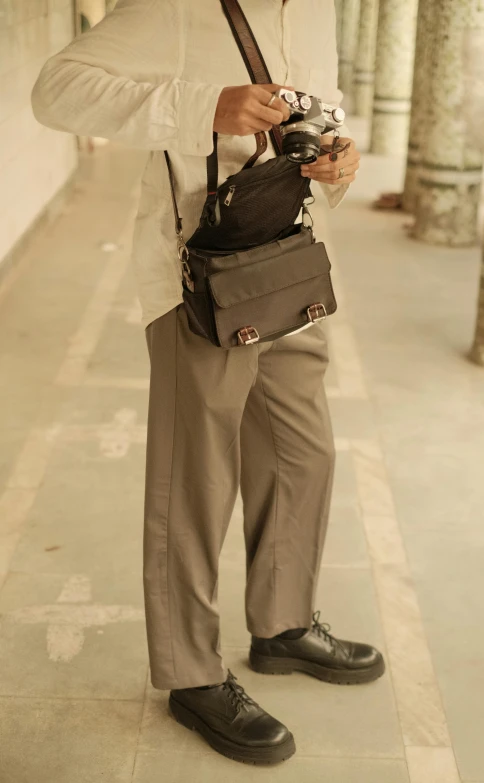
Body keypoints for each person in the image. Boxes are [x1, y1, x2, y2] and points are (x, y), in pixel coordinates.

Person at [32, 0, 384, 766]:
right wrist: (203, 107)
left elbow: (320, 126)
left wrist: (336, 165)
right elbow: (56, 87)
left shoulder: (321, 12)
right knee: (195, 478)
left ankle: (283, 625)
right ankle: (192, 674)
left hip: (286, 260)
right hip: (199, 275)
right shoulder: (175, 7)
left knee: (303, 451)